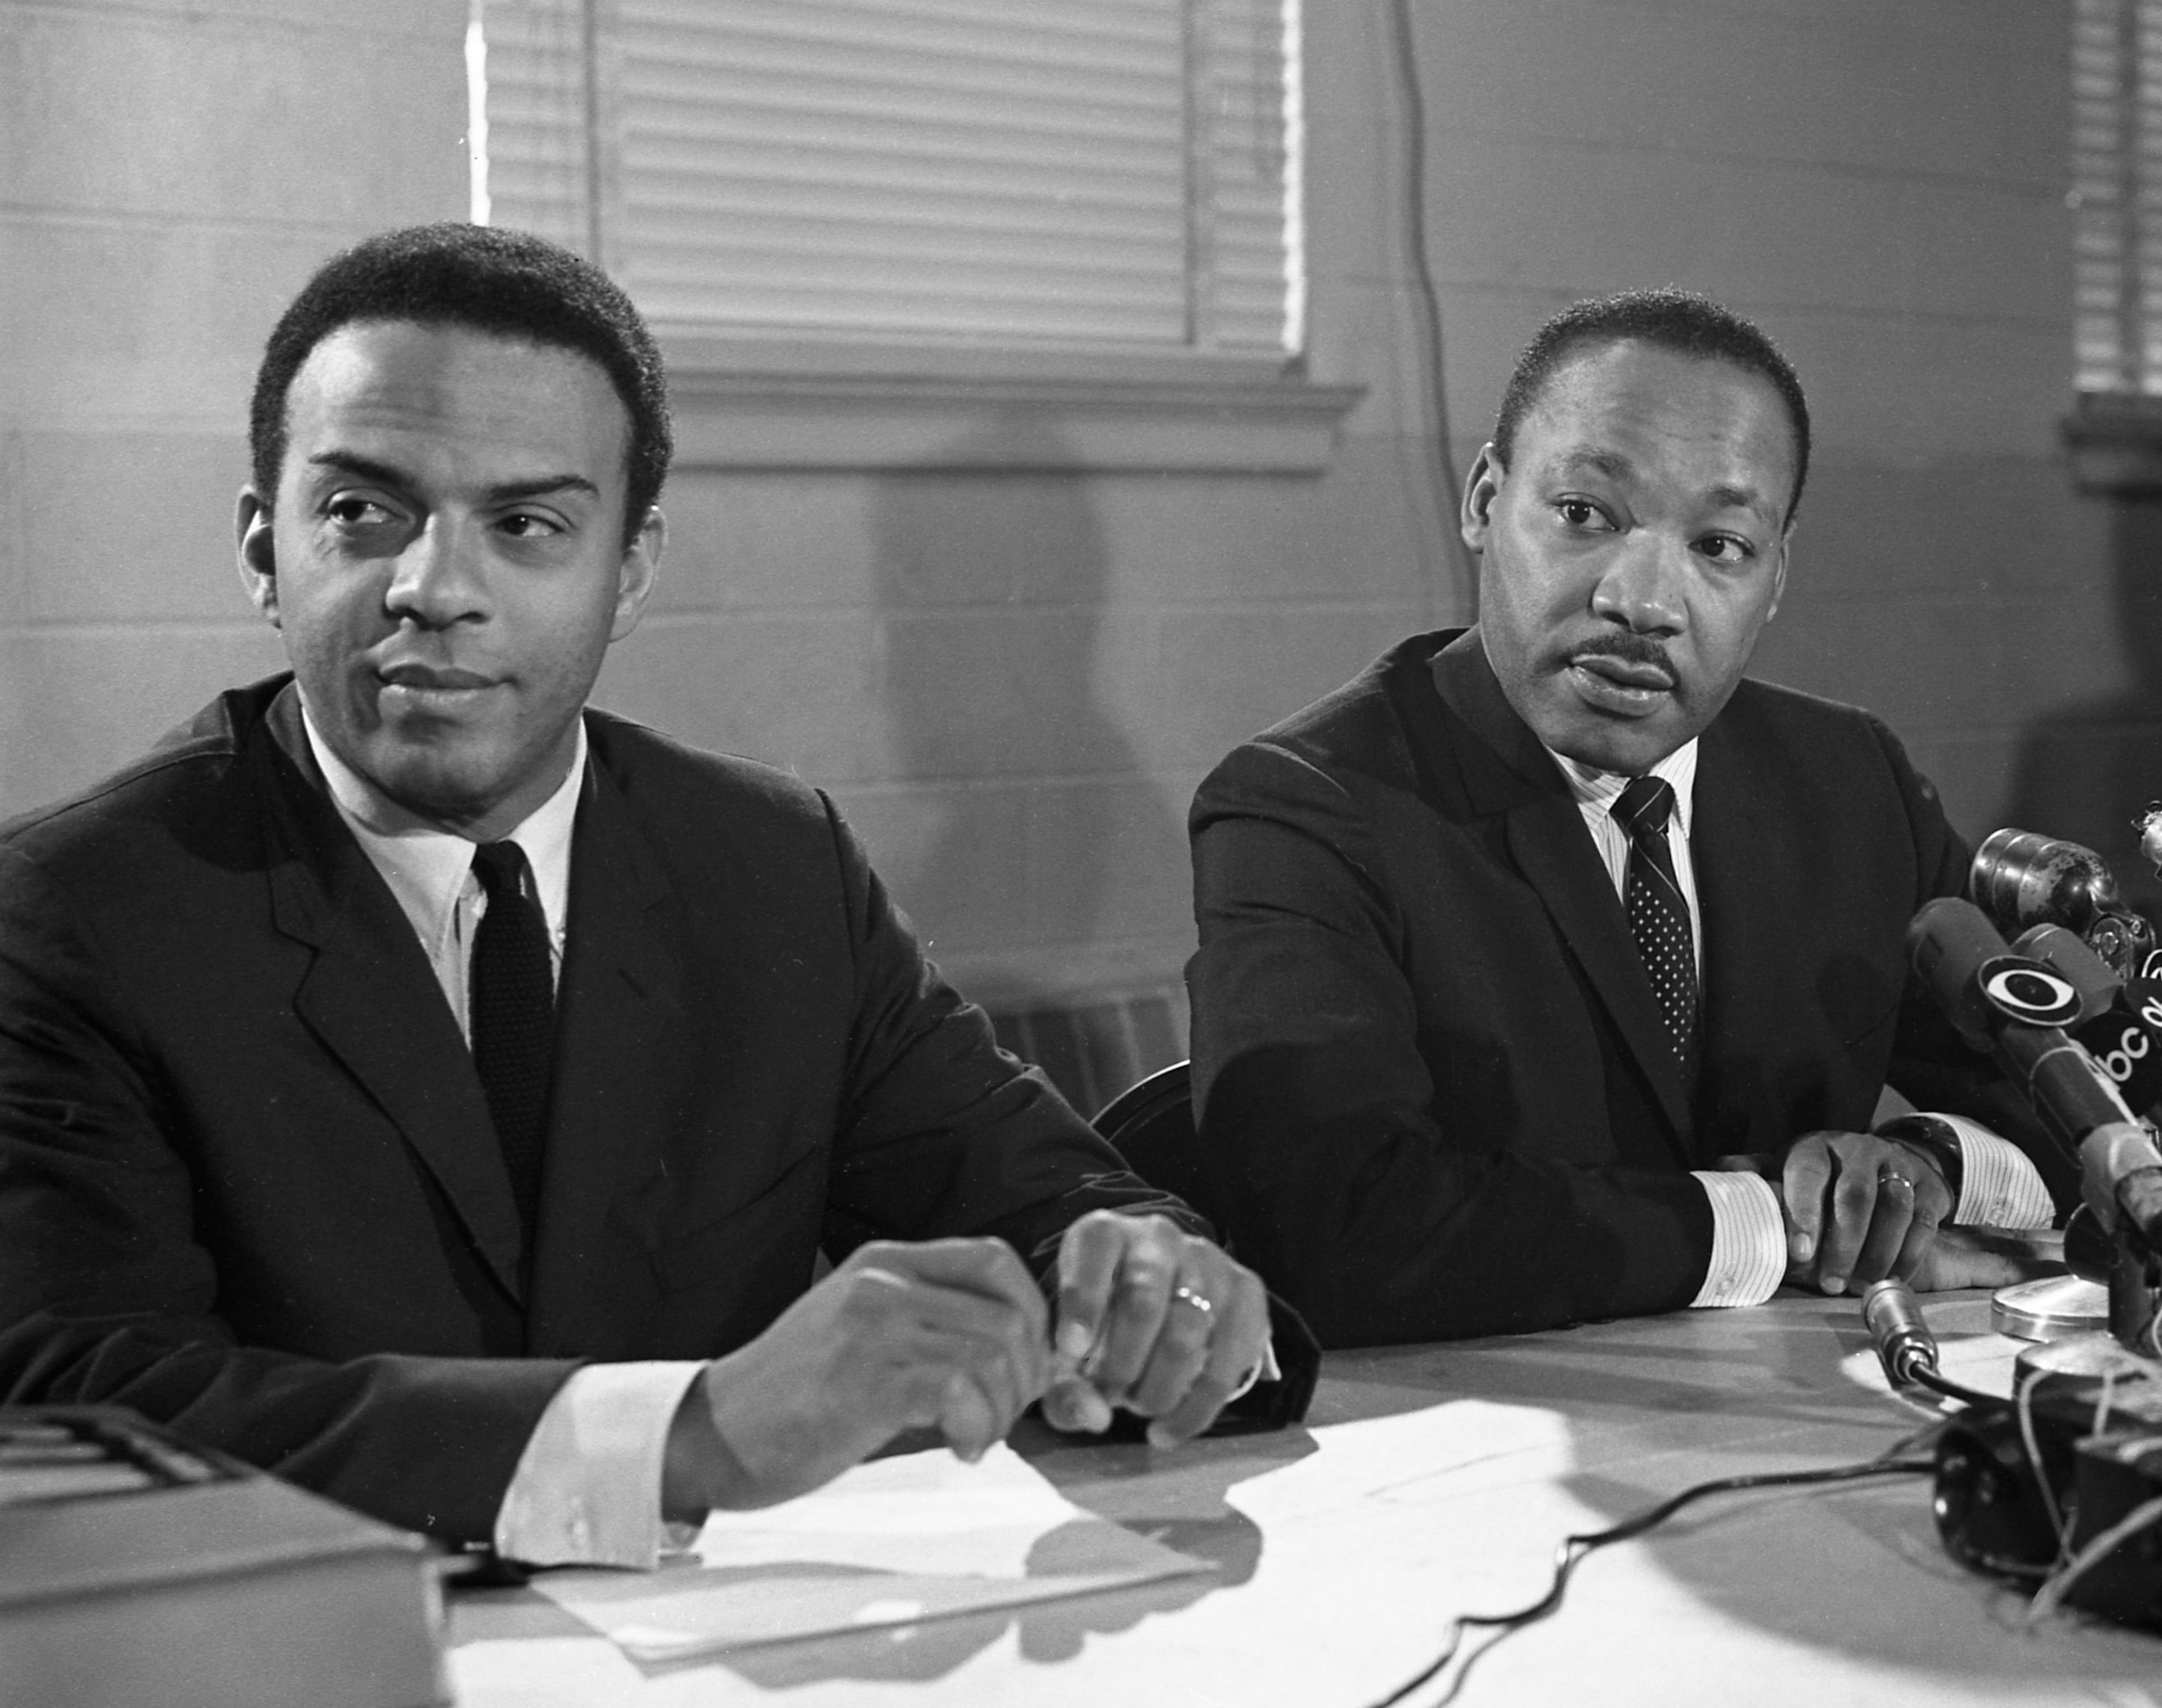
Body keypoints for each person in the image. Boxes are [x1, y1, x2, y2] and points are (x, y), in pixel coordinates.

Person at [0, 224, 1301, 1565]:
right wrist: (685, 1435)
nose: (434, 589)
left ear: (629, 569)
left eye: (526, 524)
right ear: (263, 546)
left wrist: (1164, 1295)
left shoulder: (775, 865)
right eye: (360, 511)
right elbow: (80, 1418)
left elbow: (1050, 1205)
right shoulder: (70, 913)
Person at [1185, 289, 2063, 1349]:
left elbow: (2085, 1111)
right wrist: (1762, 1227)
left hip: (1803, 1420)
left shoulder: (1848, 781)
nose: (1645, 600)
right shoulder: (1308, 807)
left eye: (1721, 545)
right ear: (1482, 500)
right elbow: (1332, 1226)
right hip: (1472, 1453)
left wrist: (1920, 1167)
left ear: (1776, 576)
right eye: (1585, 515)